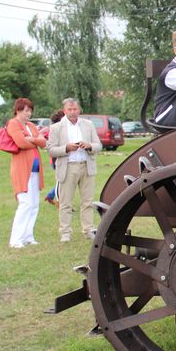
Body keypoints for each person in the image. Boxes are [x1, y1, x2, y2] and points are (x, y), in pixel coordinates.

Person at [47, 98, 102, 243]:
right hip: (68, 167)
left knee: (88, 201)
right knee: (65, 202)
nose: (72, 112)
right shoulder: (56, 128)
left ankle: (88, 229)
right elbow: (51, 150)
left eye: (75, 109)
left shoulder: (88, 125)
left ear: (79, 110)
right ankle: (65, 232)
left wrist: (89, 145)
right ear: (64, 111)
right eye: (69, 110)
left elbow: (99, 145)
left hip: (86, 165)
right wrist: (66, 148)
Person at [6, 98, 47, 248]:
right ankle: (16, 239)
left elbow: (43, 142)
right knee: (25, 203)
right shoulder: (13, 123)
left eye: (30, 110)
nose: (29, 113)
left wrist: (32, 139)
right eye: (26, 110)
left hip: (35, 170)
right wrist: (35, 140)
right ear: (18, 110)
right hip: (22, 169)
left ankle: (28, 236)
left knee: (34, 204)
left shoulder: (30, 125)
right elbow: (20, 143)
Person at [44, 109, 65, 207]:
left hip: (58, 158)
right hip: (56, 159)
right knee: (61, 181)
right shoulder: (54, 130)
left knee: (63, 180)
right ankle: (59, 201)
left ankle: (50, 196)